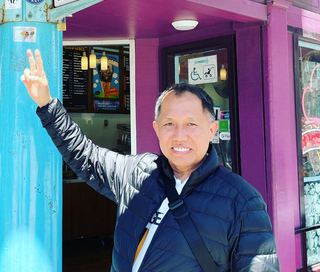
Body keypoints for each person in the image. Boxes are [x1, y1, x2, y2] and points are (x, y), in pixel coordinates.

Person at [21, 49, 280, 272]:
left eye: (191, 124)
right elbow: (85, 155)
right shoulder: (138, 172)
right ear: (156, 129)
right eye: (169, 124)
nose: (180, 136)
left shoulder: (243, 201)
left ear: (211, 131)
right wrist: (47, 104)